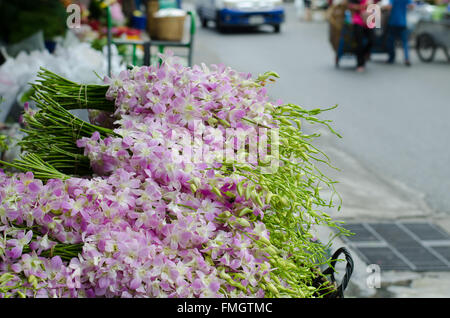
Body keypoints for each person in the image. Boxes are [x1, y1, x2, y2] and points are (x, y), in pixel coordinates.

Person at [385, 0, 414, 66]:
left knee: (390, 41)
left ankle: (391, 58)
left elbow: (389, 7)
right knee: (405, 42)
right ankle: (407, 59)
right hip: (402, 23)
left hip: (393, 23)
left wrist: (382, 8)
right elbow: (412, 6)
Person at [348, 0, 374, 72]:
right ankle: (360, 64)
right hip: (358, 21)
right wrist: (361, 7)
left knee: (372, 40)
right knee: (359, 43)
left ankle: (364, 54)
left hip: (367, 20)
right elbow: (350, 6)